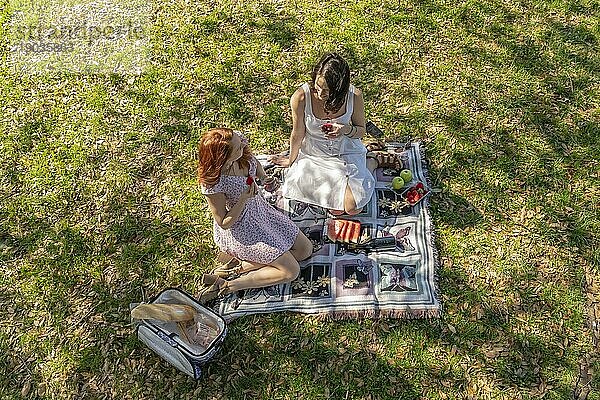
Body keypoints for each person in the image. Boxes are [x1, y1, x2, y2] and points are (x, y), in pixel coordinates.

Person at [197, 128, 313, 302]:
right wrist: (243, 199)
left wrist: (263, 176)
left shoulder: (239, 148)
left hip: (262, 213)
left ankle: (239, 267)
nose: (243, 145)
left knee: (305, 250)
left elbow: (253, 162)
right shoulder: (214, 183)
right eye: (238, 148)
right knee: (291, 271)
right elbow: (223, 222)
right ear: (224, 158)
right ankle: (227, 286)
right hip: (243, 230)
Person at [271, 52, 390, 215]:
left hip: (346, 152)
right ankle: (362, 169)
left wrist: (345, 129)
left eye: (326, 91)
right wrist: (292, 160)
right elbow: (297, 134)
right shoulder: (301, 97)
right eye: (318, 86)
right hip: (315, 156)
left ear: (339, 89)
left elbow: (361, 130)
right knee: (336, 210)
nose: (320, 94)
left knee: (353, 207)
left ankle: (371, 163)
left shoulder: (354, 96)